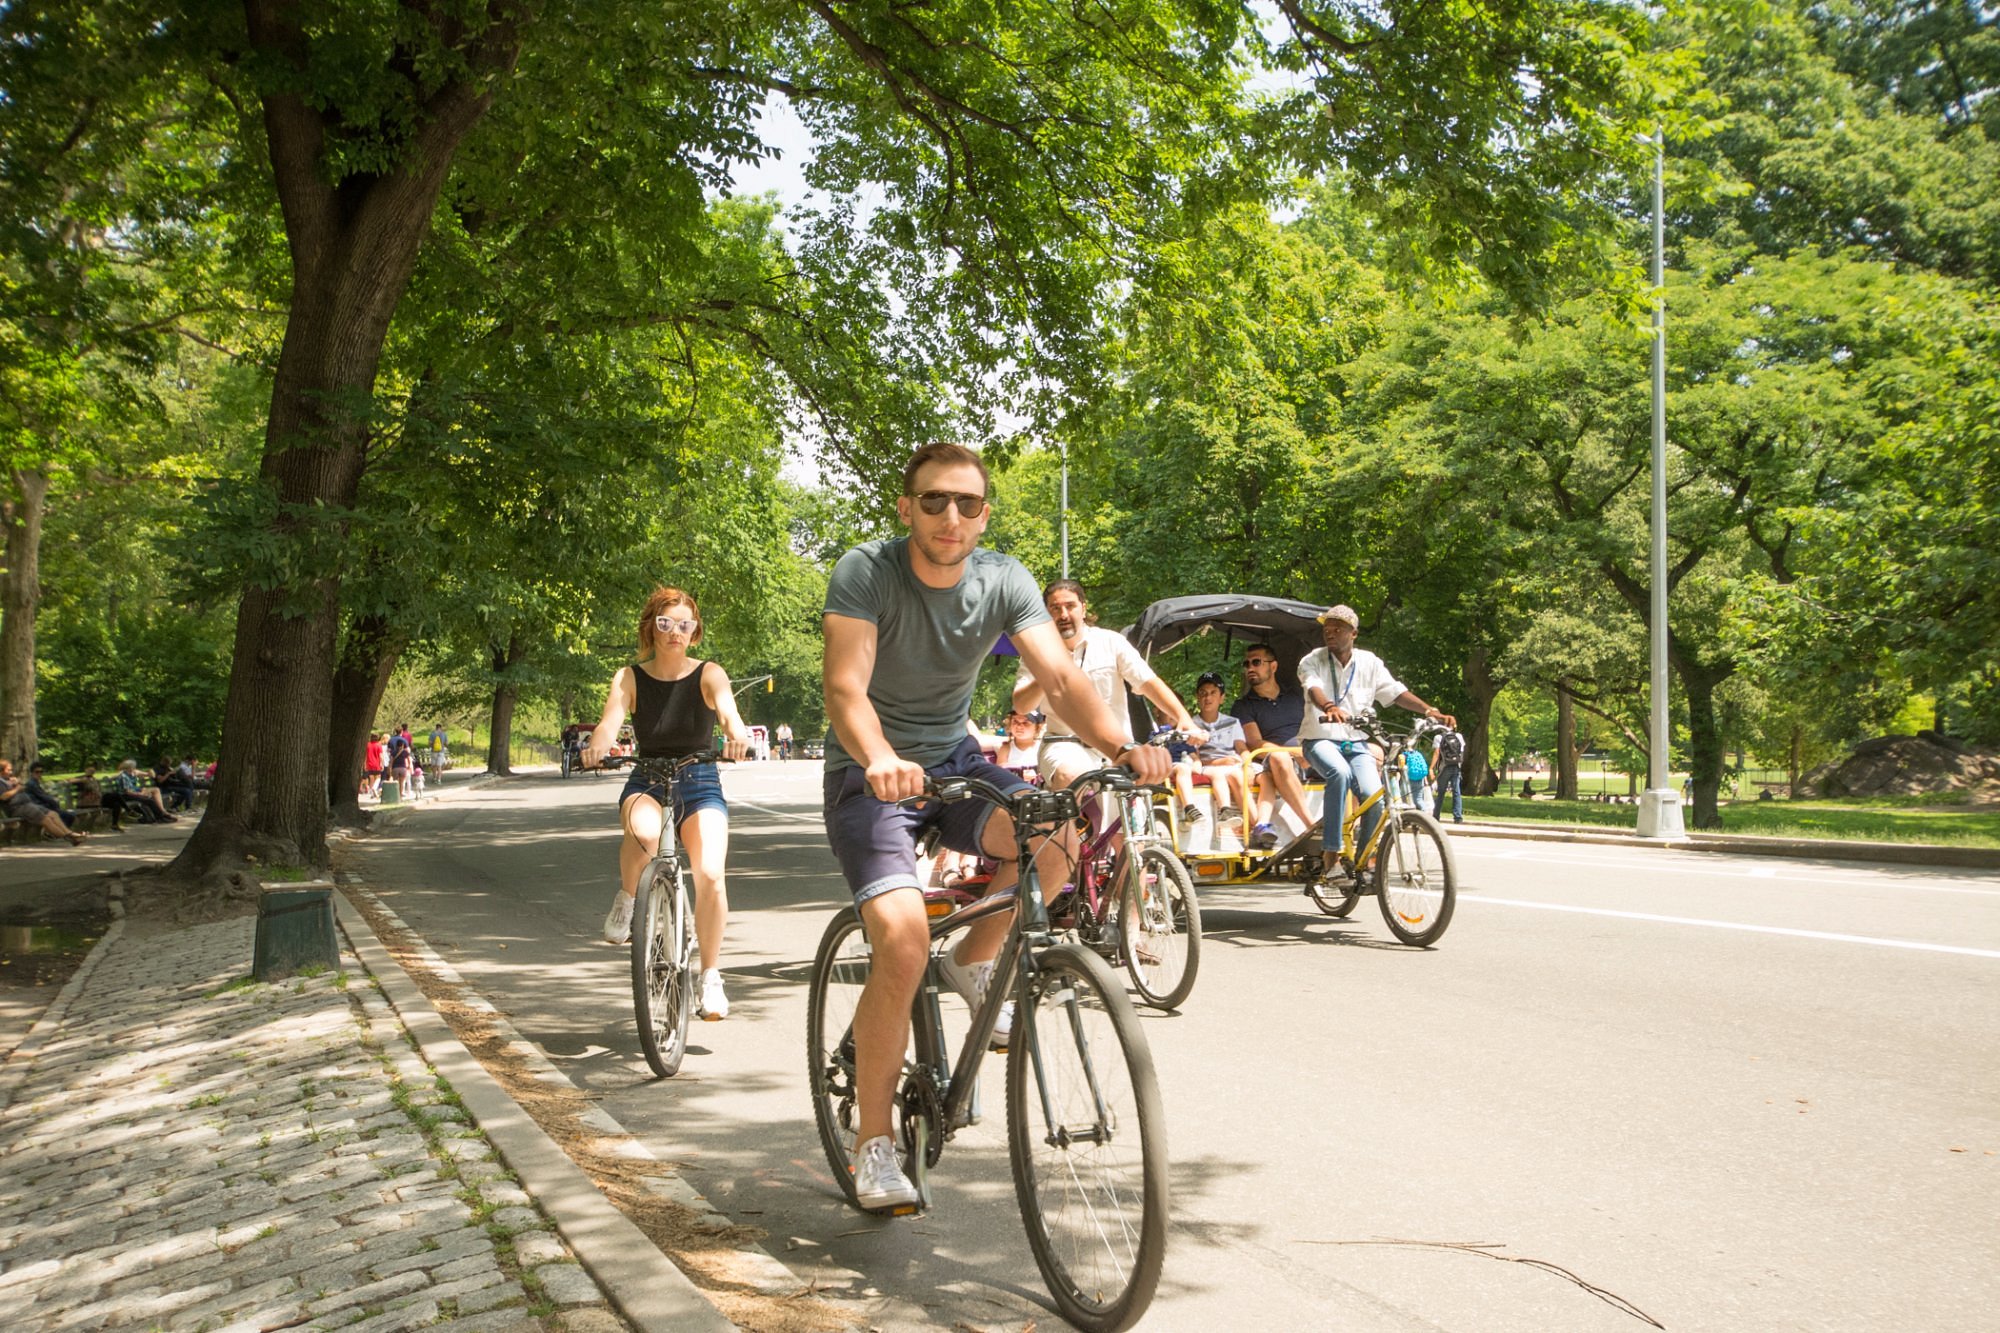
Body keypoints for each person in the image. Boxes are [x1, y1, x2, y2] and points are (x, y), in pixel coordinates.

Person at [821, 442, 1170, 1212]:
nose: (952, 516)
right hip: (870, 773)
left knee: (1059, 837)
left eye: (968, 503)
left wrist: (1122, 747)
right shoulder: (867, 571)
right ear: (907, 506)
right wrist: (879, 755)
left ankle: (977, 964)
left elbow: (1061, 679)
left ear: (985, 514)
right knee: (905, 940)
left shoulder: (1004, 579)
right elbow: (846, 687)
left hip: (953, 759)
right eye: (935, 501)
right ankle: (873, 1141)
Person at [584, 586, 754, 1022]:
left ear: (694, 632)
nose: (675, 632)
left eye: (684, 625)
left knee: (711, 874)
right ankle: (628, 897)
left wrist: (738, 735)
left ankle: (711, 977)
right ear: (651, 628)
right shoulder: (629, 677)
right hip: (648, 777)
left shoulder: (709, 673)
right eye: (665, 623)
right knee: (641, 834)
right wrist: (597, 746)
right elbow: (610, 722)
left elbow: (729, 713)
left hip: (699, 781)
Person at [1011, 579, 1204, 814]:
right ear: (1046, 613)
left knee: (1130, 831)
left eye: (1070, 606)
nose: (1063, 614)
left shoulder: (1110, 642)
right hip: (1064, 744)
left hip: (1117, 747)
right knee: (1070, 773)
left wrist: (1183, 717)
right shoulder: (1037, 651)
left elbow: (1147, 681)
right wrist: (1046, 671)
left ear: (1083, 608)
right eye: (1055, 608)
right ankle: (1066, 846)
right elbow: (1021, 705)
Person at [1297, 605, 1455, 877]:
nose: (1329, 632)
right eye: (1326, 628)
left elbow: (1395, 693)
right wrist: (1330, 707)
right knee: (1340, 773)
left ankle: (1362, 861)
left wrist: (1429, 711)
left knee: (1375, 797)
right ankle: (1331, 857)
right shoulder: (1313, 659)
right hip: (1320, 739)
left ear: (1353, 633)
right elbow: (1313, 689)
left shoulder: (1369, 662)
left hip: (1355, 743)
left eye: (1337, 628)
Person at [1231, 643, 1314, 849]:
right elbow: (1254, 742)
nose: (1250, 668)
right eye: (1247, 663)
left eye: (1256, 662)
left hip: (1313, 754)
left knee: (1371, 753)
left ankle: (1357, 829)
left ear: (1273, 666)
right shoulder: (1243, 705)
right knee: (1279, 757)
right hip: (1279, 763)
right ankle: (1312, 827)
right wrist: (1294, 752)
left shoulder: (1297, 697)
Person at [1172, 671, 1249, 835]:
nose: (1208, 698)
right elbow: (1195, 758)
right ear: (1197, 697)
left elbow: (1242, 749)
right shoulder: (1191, 726)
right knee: (1234, 775)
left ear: (1222, 697)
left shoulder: (1233, 722)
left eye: (1213, 693)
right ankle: (1252, 825)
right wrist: (1221, 763)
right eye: (1203, 693)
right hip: (1212, 767)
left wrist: (1247, 764)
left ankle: (1263, 823)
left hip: (1235, 764)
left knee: (1261, 776)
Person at [2, 759, 87, 844]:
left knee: (53, 814)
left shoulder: (7, 780)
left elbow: (23, 788)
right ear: (1, 771)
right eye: (9, 770)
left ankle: (69, 833)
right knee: (46, 820)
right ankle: (70, 837)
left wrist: (17, 783)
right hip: (18, 808)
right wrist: (17, 788)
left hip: (28, 804)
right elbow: (3, 797)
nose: (11, 772)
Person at [113, 759, 176, 823]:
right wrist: (140, 794)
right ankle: (160, 817)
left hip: (134, 792)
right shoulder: (123, 776)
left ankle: (162, 814)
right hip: (126, 795)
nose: (134, 768)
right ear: (129, 767)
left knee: (153, 793)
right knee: (149, 800)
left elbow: (150, 775)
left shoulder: (132, 772)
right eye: (133, 767)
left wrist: (150, 771)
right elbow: (127, 792)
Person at [1433, 726, 1467, 823]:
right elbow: (1462, 752)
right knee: (1456, 791)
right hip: (1456, 766)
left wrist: (1432, 768)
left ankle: (1436, 815)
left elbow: (1436, 753)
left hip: (1444, 767)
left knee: (1441, 792)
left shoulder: (1438, 737)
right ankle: (1458, 817)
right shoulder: (1458, 736)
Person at [362, 733, 386, 799]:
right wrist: (382, 764)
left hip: (369, 764)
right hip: (377, 764)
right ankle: (374, 788)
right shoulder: (379, 745)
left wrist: (365, 764)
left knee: (371, 779)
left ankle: (372, 794)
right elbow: (381, 756)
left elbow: (365, 756)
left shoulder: (368, 745)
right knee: (378, 778)